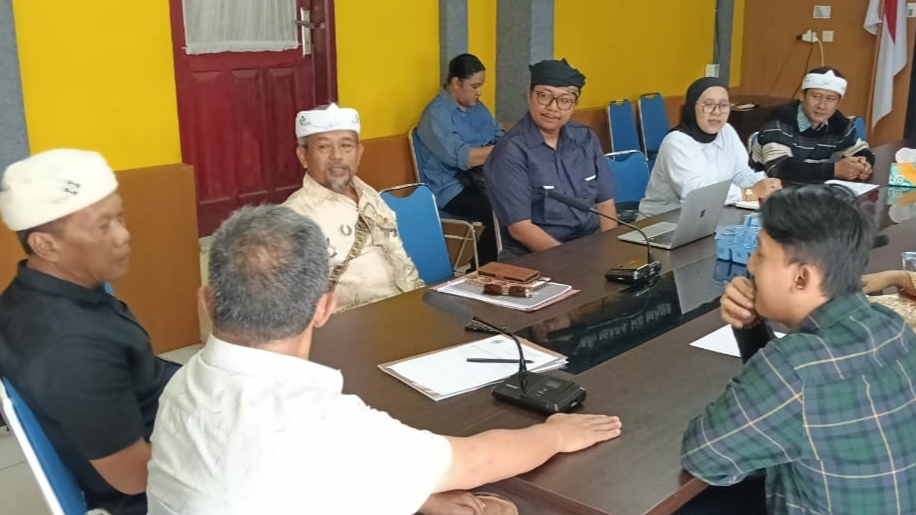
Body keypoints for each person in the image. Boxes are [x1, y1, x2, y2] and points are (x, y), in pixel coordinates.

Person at [146, 204, 623, 515]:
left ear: (206, 302)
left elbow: (274, 482)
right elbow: (478, 461)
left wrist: (416, 492)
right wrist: (555, 433)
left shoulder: (182, 386)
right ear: (325, 308)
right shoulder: (325, 424)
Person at [680, 184, 916, 514]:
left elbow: (703, 456)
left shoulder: (795, 367)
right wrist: (750, 327)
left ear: (802, 278)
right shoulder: (891, 326)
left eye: (761, 253)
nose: (751, 264)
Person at [0, 149, 179, 514]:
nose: (123, 235)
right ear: (45, 245)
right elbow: (135, 477)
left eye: (120, 217)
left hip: (171, 417)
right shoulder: (69, 350)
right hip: (163, 493)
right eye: (103, 226)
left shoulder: (47, 291)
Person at [283, 103, 424, 312]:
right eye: (324, 147)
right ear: (303, 156)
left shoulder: (369, 194)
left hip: (408, 307)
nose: (337, 156)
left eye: (346, 146)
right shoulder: (293, 220)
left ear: (359, 153)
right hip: (352, 325)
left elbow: (399, 257)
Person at [485, 59, 618, 260]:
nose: (553, 108)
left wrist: (609, 253)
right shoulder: (511, 151)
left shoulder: (585, 138)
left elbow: (605, 203)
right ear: (529, 95)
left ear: (574, 104)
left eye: (564, 100)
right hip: (537, 258)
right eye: (544, 96)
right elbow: (520, 229)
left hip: (591, 249)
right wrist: (572, 263)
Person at [639, 77, 782, 217]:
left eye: (723, 105)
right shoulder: (676, 142)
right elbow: (696, 195)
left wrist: (765, 186)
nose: (717, 111)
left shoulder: (726, 131)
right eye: (708, 104)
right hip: (662, 221)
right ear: (692, 107)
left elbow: (740, 173)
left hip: (709, 216)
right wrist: (750, 193)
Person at [415, 53, 502, 265]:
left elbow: (498, 135)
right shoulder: (436, 114)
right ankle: (481, 269)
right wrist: (503, 150)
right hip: (450, 188)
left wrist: (506, 145)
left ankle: (509, 263)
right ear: (455, 83)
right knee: (496, 210)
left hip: (481, 180)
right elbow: (462, 158)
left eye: (481, 86)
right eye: (474, 86)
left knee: (521, 199)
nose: (479, 92)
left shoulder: (478, 108)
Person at [751, 67, 875, 183]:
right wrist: (835, 170)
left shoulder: (838, 122)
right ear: (802, 96)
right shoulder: (781, 119)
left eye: (830, 99)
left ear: (838, 103)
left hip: (807, 187)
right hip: (763, 189)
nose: (821, 105)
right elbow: (777, 169)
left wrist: (863, 165)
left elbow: (860, 150)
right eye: (816, 96)